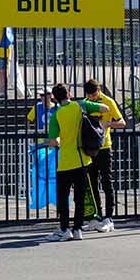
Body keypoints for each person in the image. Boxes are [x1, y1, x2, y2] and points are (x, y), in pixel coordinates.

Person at [42, 82, 105, 241]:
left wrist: (59, 139)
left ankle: (65, 229)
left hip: (65, 162)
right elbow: (105, 109)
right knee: (80, 197)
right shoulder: (80, 105)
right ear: (69, 94)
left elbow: (53, 142)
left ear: (55, 98)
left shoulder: (56, 114)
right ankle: (77, 229)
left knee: (63, 198)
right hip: (83, 160)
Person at [80, 78, 126, 232]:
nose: (92, 97)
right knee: (91, 183)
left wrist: (108, 124)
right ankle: (96, 216)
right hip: (89, 148)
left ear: (98, 90)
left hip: (104, 146)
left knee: (107, 182)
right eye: (89, 94)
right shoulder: (85, 103)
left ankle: (109, 218)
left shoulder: (108, 101)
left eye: (93, 94)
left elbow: (122, 122)